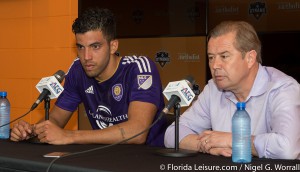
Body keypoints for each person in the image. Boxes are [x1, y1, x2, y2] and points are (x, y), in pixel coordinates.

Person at [10, 8, 167, 147]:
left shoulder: (139, 68)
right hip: (106, 157)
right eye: (80, 47)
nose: (86, 57)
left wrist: (70, 136)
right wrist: (32, 131)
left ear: (113, 46)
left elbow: (138, 132)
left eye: (95, 46)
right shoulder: (78, 70)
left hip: (149, 157)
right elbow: (56, 119)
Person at [164, 21, 300, 159]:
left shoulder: (283, 89)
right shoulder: (213, 89)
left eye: (224, 56)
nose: (215, 65)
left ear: (250, 58)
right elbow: (172, 134)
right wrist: (206, 145)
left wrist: (232, 141)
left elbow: (287, 149)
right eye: (211, 57)